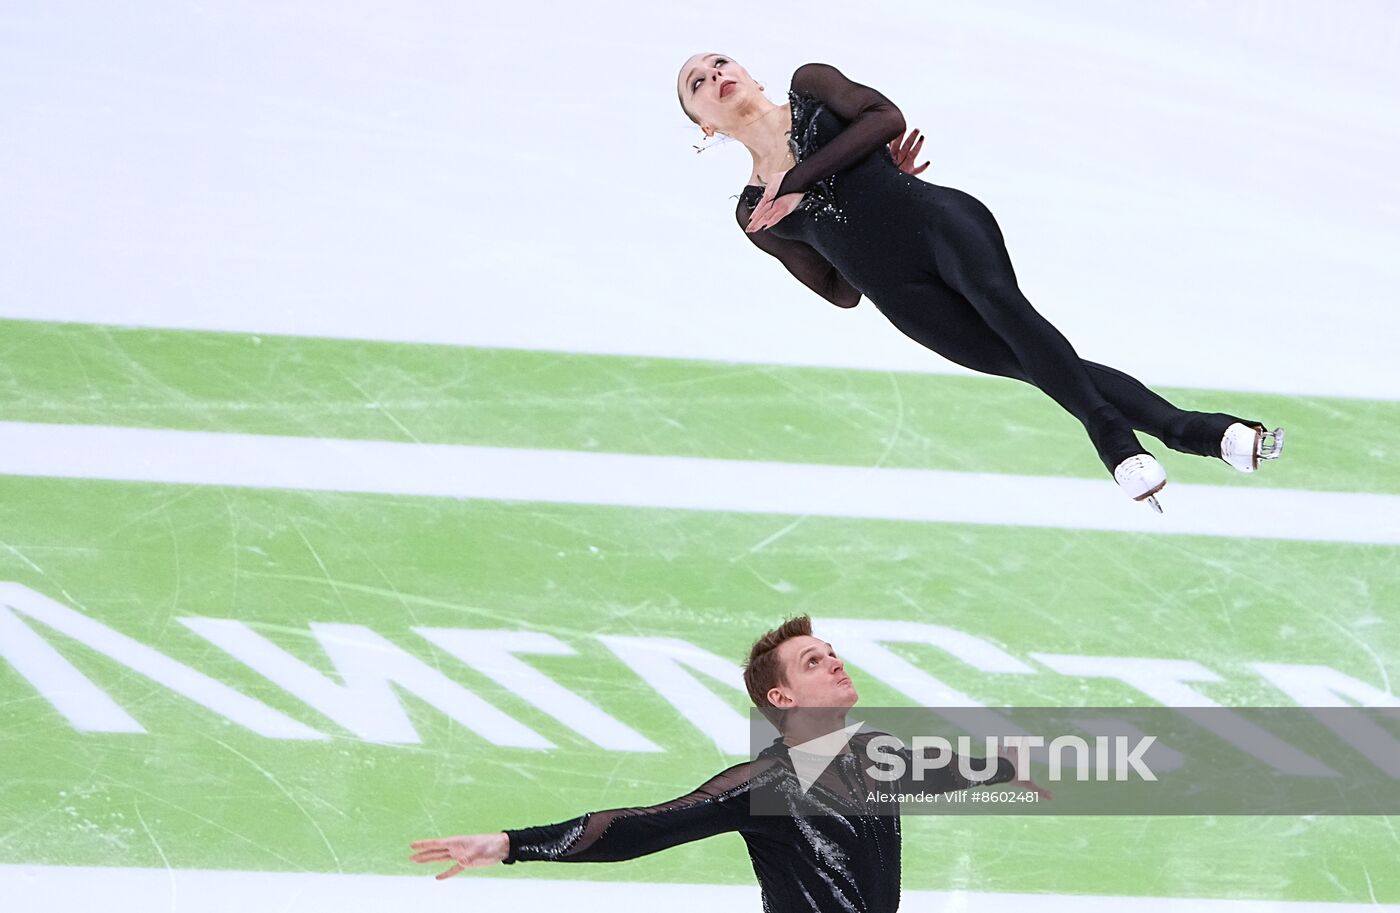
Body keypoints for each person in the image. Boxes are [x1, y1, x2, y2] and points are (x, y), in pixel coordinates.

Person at [674, 53, 1286, 511]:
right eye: (697, 83)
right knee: (1034, 363)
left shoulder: (809, 86)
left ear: (750, 74)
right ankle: (1204, 433)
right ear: (704, 125)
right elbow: (841, 291)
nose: (714, 75)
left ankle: (1115, 442)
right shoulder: (753, 212)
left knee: (1007, 310)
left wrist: (814, 179)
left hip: (938, 224)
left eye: (720, 62)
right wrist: (839, 204)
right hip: (904, 297)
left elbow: (885, 117)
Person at [409, 614, 1050, 912]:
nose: (834, 662)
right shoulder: (766, 784)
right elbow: (643, 826)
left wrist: (1004, 765)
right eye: (813, 661)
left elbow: (933, 770)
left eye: (831, 652)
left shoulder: (870, 753)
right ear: (783, 699)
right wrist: (512, 844)